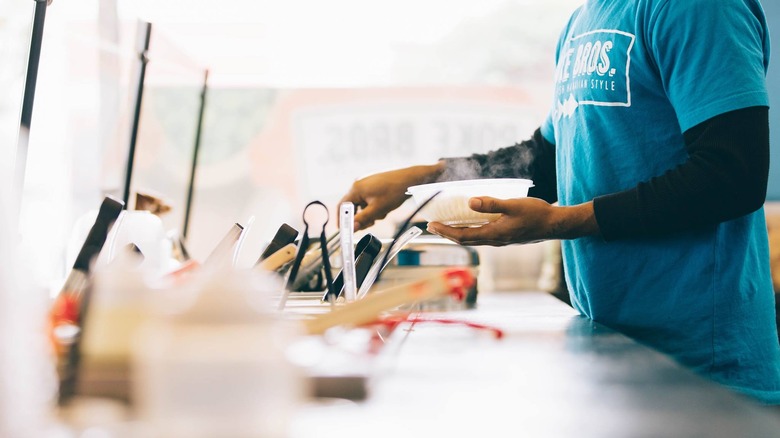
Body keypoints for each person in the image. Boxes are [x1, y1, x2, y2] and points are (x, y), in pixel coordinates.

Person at [340, 0, 780, 404]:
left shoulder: (697, 8)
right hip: (614, 349)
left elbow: (732, 174)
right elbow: (547, 162)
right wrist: (427, 179)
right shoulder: (583, 21)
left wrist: (558, 223)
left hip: (705, 369)